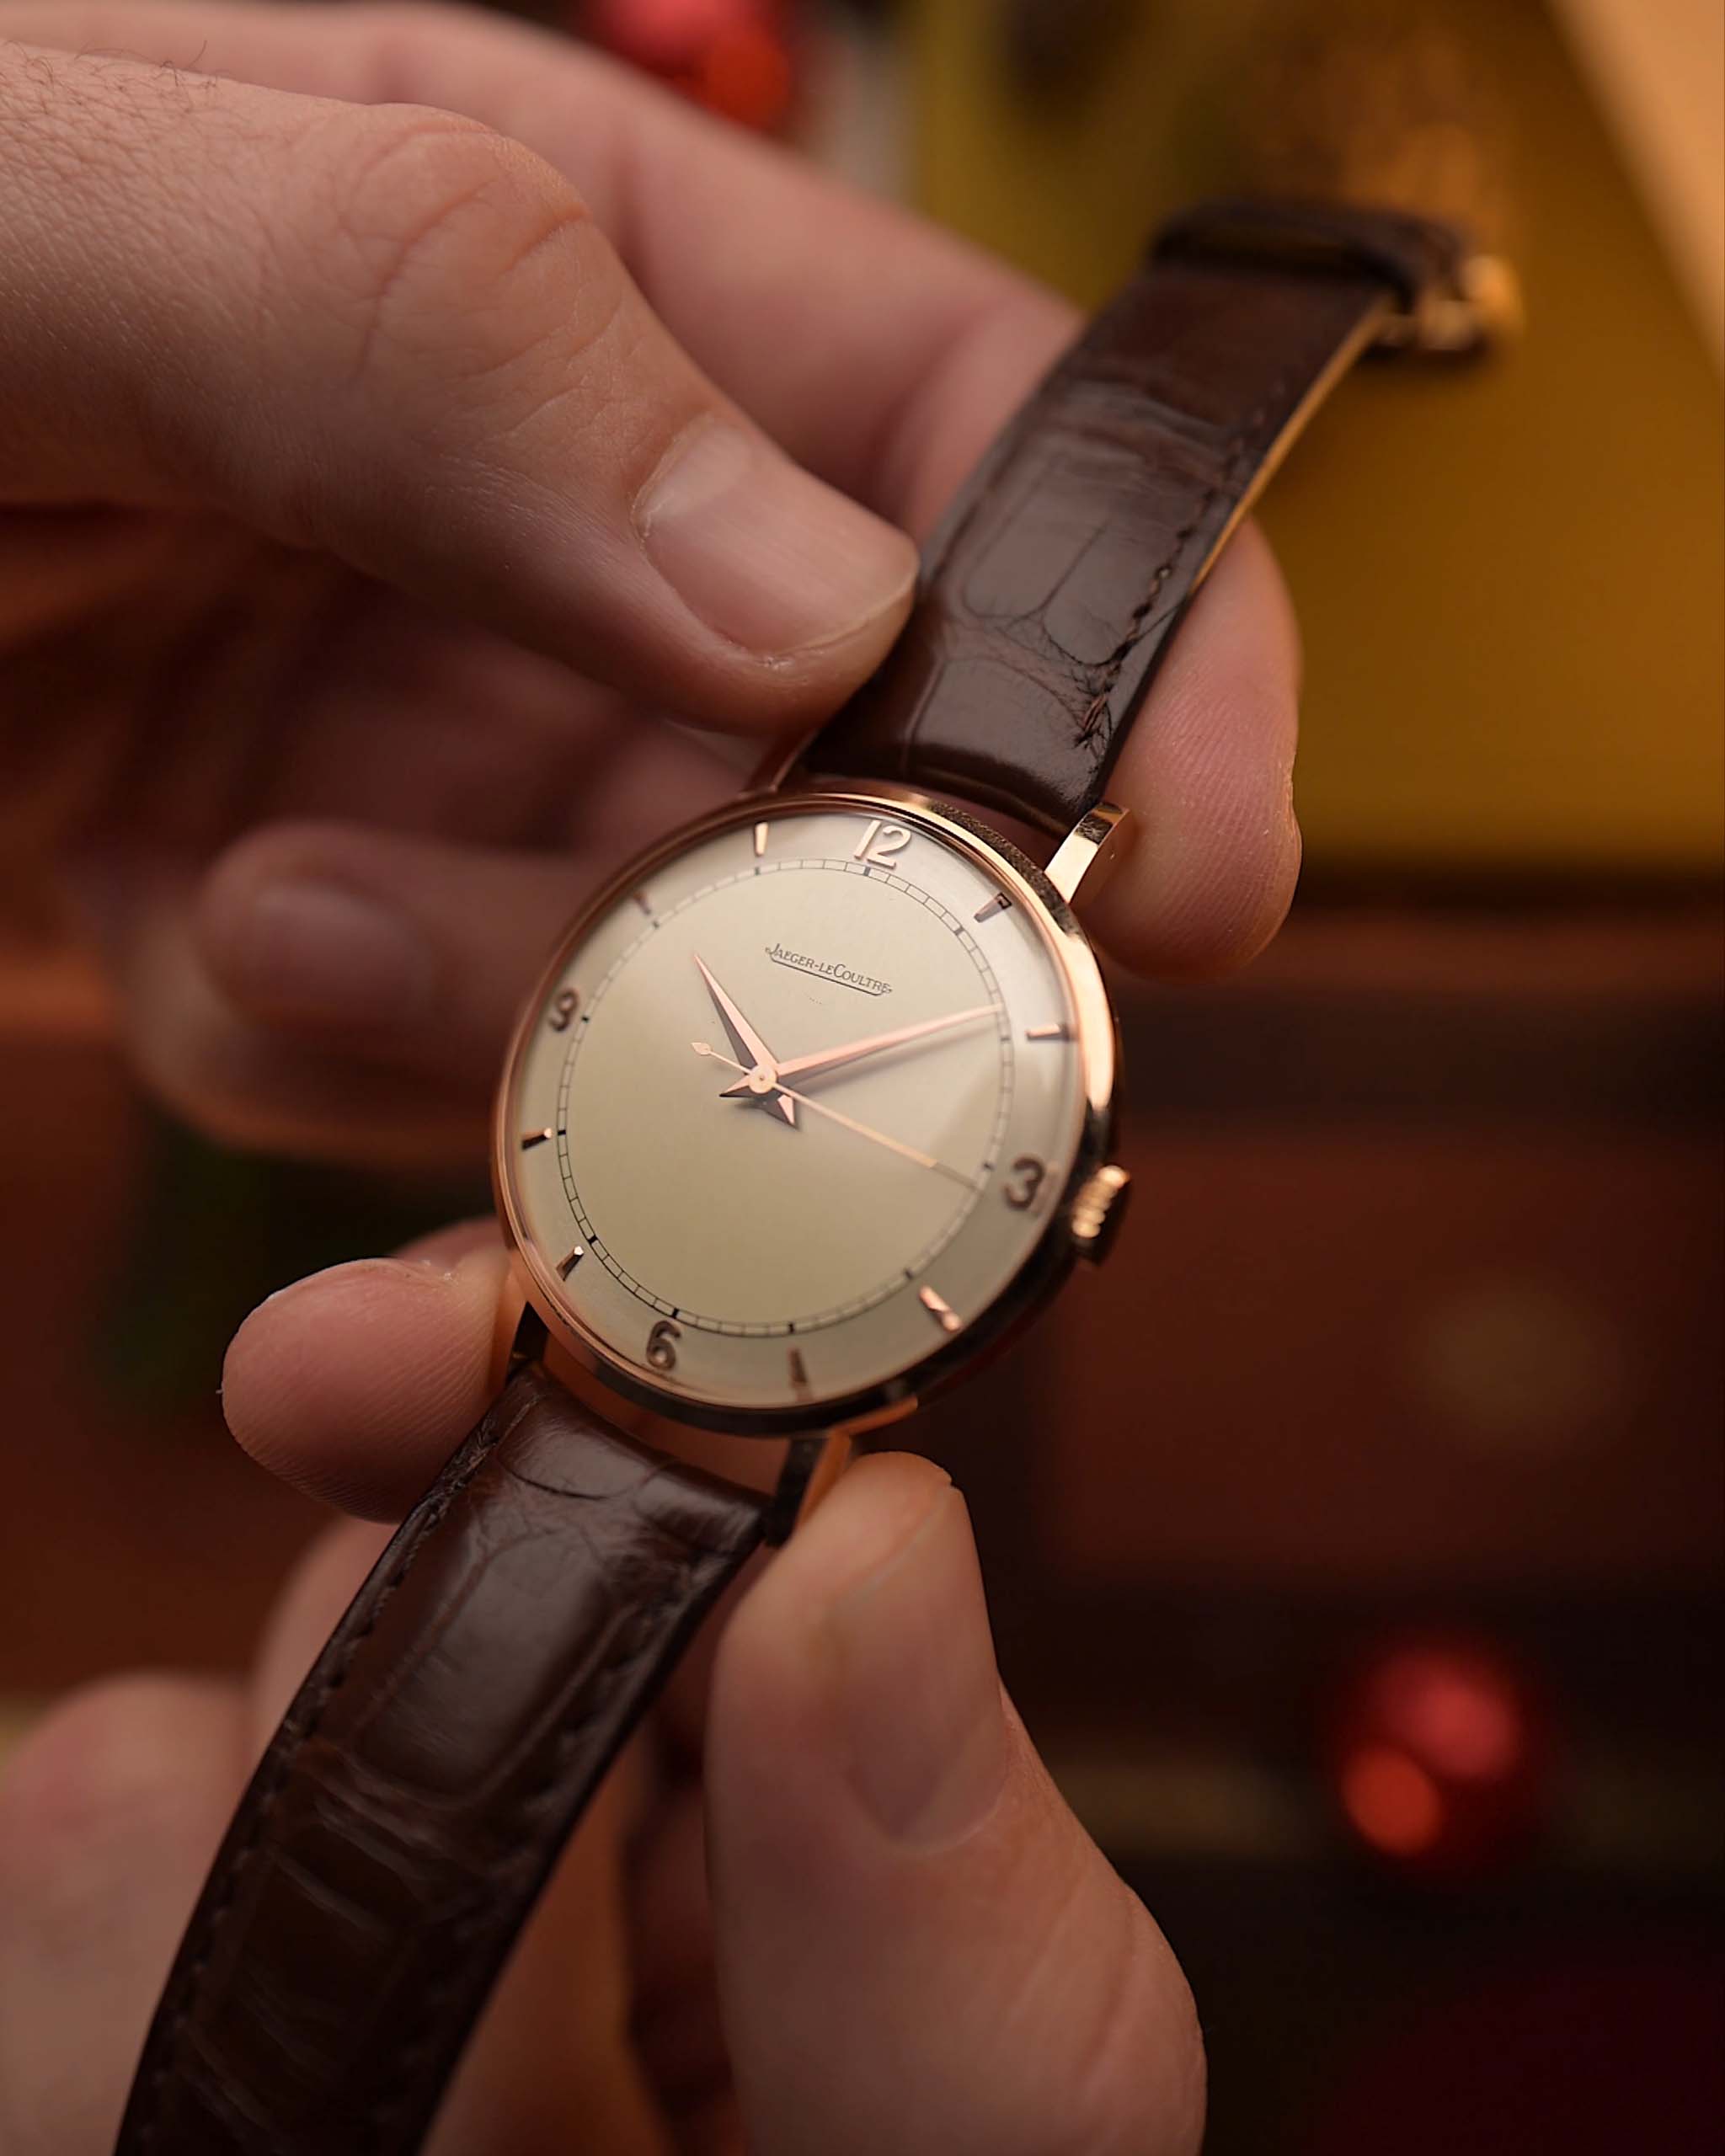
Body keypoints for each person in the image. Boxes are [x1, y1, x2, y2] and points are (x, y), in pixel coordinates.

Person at [0, 4, 1307, 2148]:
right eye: (771, 1052)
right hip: (642, 1334)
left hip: (690, 1374)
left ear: (1062, 1202)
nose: (774, 1069)